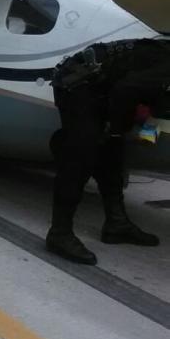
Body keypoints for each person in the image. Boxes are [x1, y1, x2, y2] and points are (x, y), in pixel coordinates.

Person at [45, 41, 163, 265]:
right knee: (81, 155)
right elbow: (126, 90)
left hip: (100, 88)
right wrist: (117, 129)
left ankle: (116, 224)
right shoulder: (166, 66)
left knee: (112, 154)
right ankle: (59, 234)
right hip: (78, 84)